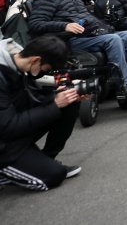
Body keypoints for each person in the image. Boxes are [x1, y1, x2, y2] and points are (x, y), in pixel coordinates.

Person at [0, 36, 82, 191]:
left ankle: (45, 158)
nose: (45, 73)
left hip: (13, 132)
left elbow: (32, 98)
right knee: (53, 175)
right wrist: (55, 104)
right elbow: (7, 126)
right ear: (36, 60)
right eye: (46, 69)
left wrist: (58, 96)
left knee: (68, 104)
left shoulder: (19, 62)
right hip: (4, 141)